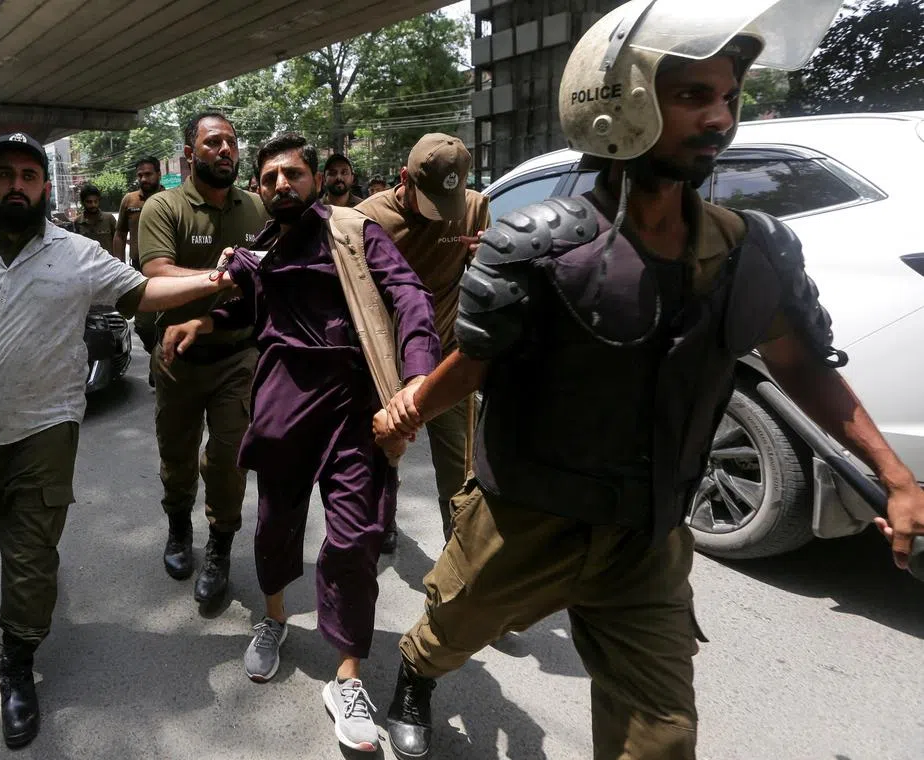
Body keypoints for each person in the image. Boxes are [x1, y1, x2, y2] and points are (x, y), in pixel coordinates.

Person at [375, 2, 924, 758]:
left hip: (650, 536)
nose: (720, 119)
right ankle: (412, 674)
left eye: (728, 97)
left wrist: (895, 476)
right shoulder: (536, 250)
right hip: (525, 516)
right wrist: (405, 411)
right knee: (453, 628)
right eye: (693, 96)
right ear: (620, 104)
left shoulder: (751, 251)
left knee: (661, 741)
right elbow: (474, 366)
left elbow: (798, 361)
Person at [0, 131, 241, 750]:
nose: (17, 185)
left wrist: (214, 280)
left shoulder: (76, 252)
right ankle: (32, 560)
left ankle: (18, 662)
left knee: (28, 552)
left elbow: (141, 291)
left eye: (30, 175)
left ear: (46, 187)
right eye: (6, 174)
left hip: (50, 424)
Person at [161, 133, 438, 752]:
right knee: (276, 524)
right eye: (269, 178)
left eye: (293, 174)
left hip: (353, 403)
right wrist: (199, 320)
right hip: (284, 403)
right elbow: (243, 314)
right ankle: (275, 617)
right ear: (259, 191)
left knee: (355, 538)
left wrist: (417, 375)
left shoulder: (352, 232)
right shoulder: (260, 250)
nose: (281, 184)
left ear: (314, 179)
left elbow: (409, 295)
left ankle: (347, 678)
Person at [137, 112, 269, 604]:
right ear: (190, 154)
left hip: (238, 355)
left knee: (229, 459)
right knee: (177, 455)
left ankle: (219, 547)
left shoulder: (257, 208)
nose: (226, 150)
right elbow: (156, 273)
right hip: (176, 358)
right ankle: (178, 528)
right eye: (214, 142)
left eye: (232, 142)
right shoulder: (163, 207)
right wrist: (219, 276)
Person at [357, 134, 490, 550]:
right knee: (382, 451)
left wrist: (491, 257)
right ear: (403, 178)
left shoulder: (473, 208)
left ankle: (459, 555)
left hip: (445, 358)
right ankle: (384, 514)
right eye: (429, 201)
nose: (439, 218)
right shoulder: (366, 218)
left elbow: (486, 281)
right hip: (384, 361)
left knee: (459, 468)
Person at [114, 156, 163, 355]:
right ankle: (156, 357)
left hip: (165, 270)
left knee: (166, 321)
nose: (144, 179)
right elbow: (119, 234)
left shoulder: (170, 198)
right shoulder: (129, 200)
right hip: (138, 271)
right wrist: (118, 265)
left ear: (159, 174)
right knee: (143, 325)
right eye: (140, 175)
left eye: (148, 174)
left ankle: (160, 366)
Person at [73, 183, 117, 257]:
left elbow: (118, 241)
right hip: (88, 264)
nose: (93, 205)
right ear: (83, 202)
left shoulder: (109, 219)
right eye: (89, 202)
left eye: (96, 201)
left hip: (108, 264)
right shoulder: (78, 222)